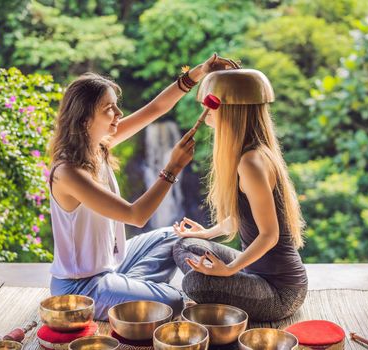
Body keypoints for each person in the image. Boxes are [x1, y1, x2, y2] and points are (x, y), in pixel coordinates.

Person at [47, 54, 239, 320]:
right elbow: (136, 216)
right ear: (84, 119)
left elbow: (156, 109)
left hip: (113, 266)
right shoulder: (67, 172)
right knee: (172, 300)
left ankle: (132, 292)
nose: (118, 114)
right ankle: (135, 293)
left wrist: (198, 72)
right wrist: (173, 168)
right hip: (81, 288)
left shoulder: (97, 147)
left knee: (172, 236)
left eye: (116, 106)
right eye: (109, 109)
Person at [173, 69, 308, 321]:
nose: (206, 113)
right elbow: (243, 217)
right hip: (254, 271)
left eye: (211, 107)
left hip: (280, 292)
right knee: (185, 245)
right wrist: (206, 233)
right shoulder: (247, 155)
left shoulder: (252, 161)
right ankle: (229, 291)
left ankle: (227, 298)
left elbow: (270, 234)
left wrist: (230, 270)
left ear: (231, 110)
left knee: (194, 283)